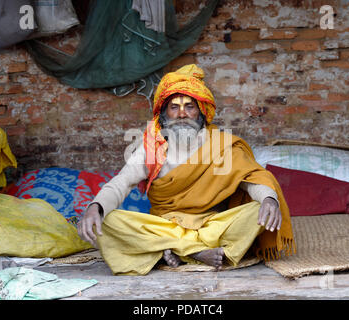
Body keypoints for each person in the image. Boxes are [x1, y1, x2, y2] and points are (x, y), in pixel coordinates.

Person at [77, 64, 295, 275]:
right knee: (109, 221)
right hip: (166, 226)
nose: (182, 114)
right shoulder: (152, 148)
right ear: (164, 114)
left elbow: (250, 179)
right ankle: (195, 250)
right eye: (174, 107)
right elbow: (122, 182)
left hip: (212, 224)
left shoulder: (220, 144)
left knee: (257, 211)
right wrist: (95, 207)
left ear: (200, 111)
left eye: (189, 106)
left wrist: (269, 199)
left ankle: (174, 249)